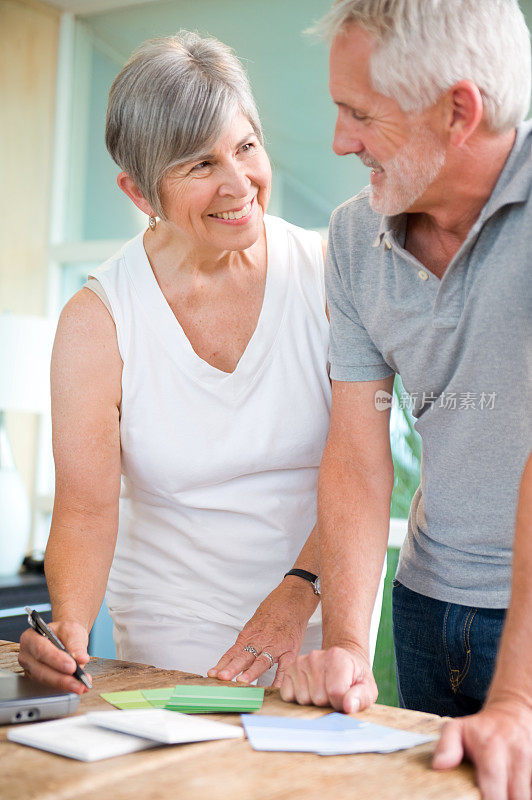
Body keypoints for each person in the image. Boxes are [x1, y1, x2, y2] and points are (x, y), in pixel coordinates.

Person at [18, 31, 385, 693]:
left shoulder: (330, 273)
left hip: (322, 607)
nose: (238, 183)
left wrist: (300, 594)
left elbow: (359, 468)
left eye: (245, 147)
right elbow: (84, 509)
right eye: (199, 165)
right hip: (171, 625)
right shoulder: (98, 319)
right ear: (138, 191)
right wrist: (70, 628)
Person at [280, 0, 532, 796]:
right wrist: (349, 649)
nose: (339, 140)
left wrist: (517, 699)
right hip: (426, 606)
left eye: (360, 113)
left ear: (459, 110)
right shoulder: (356, 236)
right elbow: (358, 450)